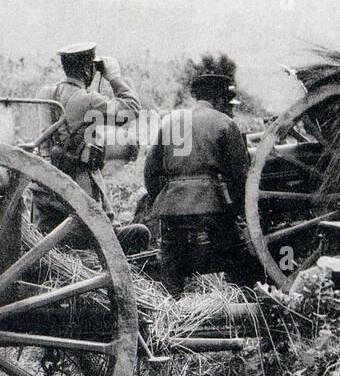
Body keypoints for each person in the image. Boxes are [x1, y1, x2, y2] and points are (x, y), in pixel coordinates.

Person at [143, 72, 259, 294]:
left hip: (172, 210)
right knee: (242, 261)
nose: (230, 108)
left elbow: (150, 171)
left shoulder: (171, 121)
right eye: (228, 103)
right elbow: (240, 177)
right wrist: (235, 210)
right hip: (212, 208)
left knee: (172, 272)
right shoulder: (225, 124)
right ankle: (246, 313)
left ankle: (168, 320)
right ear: (218, 99)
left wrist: (167, 198)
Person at [35, 42, 145, 247]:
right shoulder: (87, 100)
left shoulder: (46, 94)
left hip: (47, 199)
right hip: (79, 202)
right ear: (87, 68)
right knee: (139, 234)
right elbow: (131, 109)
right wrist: (114, 77)